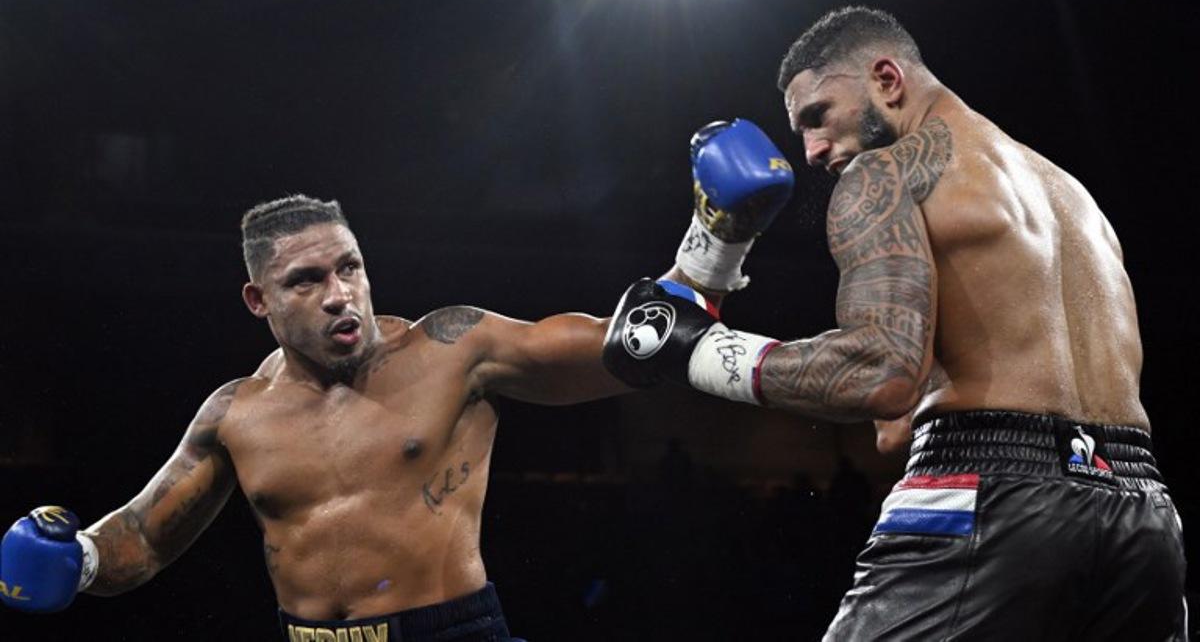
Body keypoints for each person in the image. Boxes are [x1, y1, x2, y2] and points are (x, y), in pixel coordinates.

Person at [0, 119, 794, 640]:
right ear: (259, 300)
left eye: (350, 267)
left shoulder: (456, 347)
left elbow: (630, 350)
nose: (340, 293)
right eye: (307, 280)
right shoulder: (234, 414)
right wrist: (83, 561)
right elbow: (145, 532)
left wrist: (714, 242)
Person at [603, 6, 1188, 640]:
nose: (812, 151)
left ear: (886, 78)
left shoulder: (885, 172)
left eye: (817, 116)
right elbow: (896, 429)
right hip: (1144, 513)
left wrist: (696, 350)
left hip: (986, 495)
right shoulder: (1074, 198)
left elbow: (881, 377)